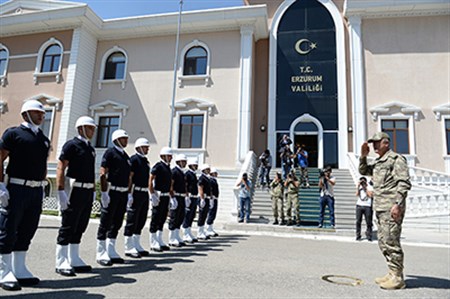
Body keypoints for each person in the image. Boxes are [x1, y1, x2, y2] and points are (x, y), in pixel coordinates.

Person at [0, 100, 50, 291]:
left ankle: (19, 268)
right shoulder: (13, 133)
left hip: (35, 189)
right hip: (16, 187)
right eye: (37, 113)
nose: (41, 116)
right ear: (25, 114)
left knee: (28, 228)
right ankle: (3, 271)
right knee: (8, 228)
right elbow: (0, 157)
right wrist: (1, 185)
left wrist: (42, 184)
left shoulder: (43, 139)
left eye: (43, 113)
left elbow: (43, 164)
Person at [359, 132, 411, 290]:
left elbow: (403, 183)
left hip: (391, 208)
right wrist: (363, 156)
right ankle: (391, 271)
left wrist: (398, 204)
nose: (374, 146)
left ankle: (397, 277)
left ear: (386, 143)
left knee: (392, 242)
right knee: (383, 242)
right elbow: (363, 171)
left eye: (377, 143)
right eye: (373, 143)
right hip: (380, 207)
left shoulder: (396, 159)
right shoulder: (379, 162)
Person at [55, 116, 97, 277]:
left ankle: (74, 258)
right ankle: (61, 260)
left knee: (81, 225)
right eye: (90, 128)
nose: (93, 131)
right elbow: (61, 167)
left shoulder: (90, 148)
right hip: (74, 189)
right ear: (80, 128)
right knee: (68, 225)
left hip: (86, 190)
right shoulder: (71, 145)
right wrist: (60, 190)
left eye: (93, 128)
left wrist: (93, 191)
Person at [96, 129, 131, 266]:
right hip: (113, 191)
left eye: (126, 138)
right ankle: (101, 252)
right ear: (116, 139)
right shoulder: (110, 152)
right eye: (123, 138)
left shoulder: (126, 156)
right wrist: (104, 192)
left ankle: (111, 249)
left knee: (117, 222)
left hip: (123, 193)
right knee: (106, 221)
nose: (126, 141)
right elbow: (103, 172)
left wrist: (128, 193)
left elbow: (129, 177)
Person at [123, 138, 151, 258]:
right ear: (139, 147)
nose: (147, 149)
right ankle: (128, 246)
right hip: (136, 191)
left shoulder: (146, 161)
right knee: (132, 219)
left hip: (144, 192)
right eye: (145, 147)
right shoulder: (134, 160)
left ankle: (136, 243)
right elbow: (130, 177)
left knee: (141, 219)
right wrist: (129, 193)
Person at [148, 147, 173, 252]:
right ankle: (153, 242)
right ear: (163, 156)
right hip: (158, 195)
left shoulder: (168, 168)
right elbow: (150, 180)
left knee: (162, 218)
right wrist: (152, 194)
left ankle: (159, 239)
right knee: (156, 218)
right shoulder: (158, 166)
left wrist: (172, 196)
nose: (171, 158)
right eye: (169, 156)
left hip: (166, 195)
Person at [168, 154, 187, 247]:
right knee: (174, 217)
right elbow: (171, 184)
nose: (184, 163)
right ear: (178, 162)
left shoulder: (182, 172)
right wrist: (172, 197)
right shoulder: (174, 171)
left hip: (182, 196)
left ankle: (176, 235)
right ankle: (171, 238)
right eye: (183, 161)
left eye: (185, 162)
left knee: (180, 217)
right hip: (176, 196)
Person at [182, 157, 199, 244]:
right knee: (187, 215)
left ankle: (189, 231)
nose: (196, 166)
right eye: (195, 165)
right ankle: (185, 234)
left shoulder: (193, 174)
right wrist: (186, 196)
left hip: (194, 197)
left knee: (192, 215)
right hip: (189, 196)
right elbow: (185, 185)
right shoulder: (188, 174)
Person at [355, 177, 373, 241]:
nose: (362, 183)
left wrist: (365, 188)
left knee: (368, 222)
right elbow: (356, 194)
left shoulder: (370, 187)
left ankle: (369, 235)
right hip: (359, 205)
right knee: (358, 221)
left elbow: (370, 195)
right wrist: (358, 186)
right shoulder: (359, 188)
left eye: (363, 182)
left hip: (367, 206)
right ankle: (358, 235)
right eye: (361, 182)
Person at [197, 164, 212, 240]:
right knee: (201, 215)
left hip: (207, 198)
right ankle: (199, 232)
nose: (209, 170)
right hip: (203, 198)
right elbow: (200, 188)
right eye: (207, 169)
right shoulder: (202, 178)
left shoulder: (207, 178)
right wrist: (202, 198)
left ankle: (202, 231)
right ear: (204, 170)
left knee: (204, 215)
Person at [206, 168, 219, 237]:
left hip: (215, 198)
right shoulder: (210, 180)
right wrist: (211, 199)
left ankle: (210, 228)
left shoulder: (214, 180)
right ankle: (208, 229)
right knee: (211, 213)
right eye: (215, 173)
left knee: (213, 214)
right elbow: (210, 190)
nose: (216, 174)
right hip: (212, 198)